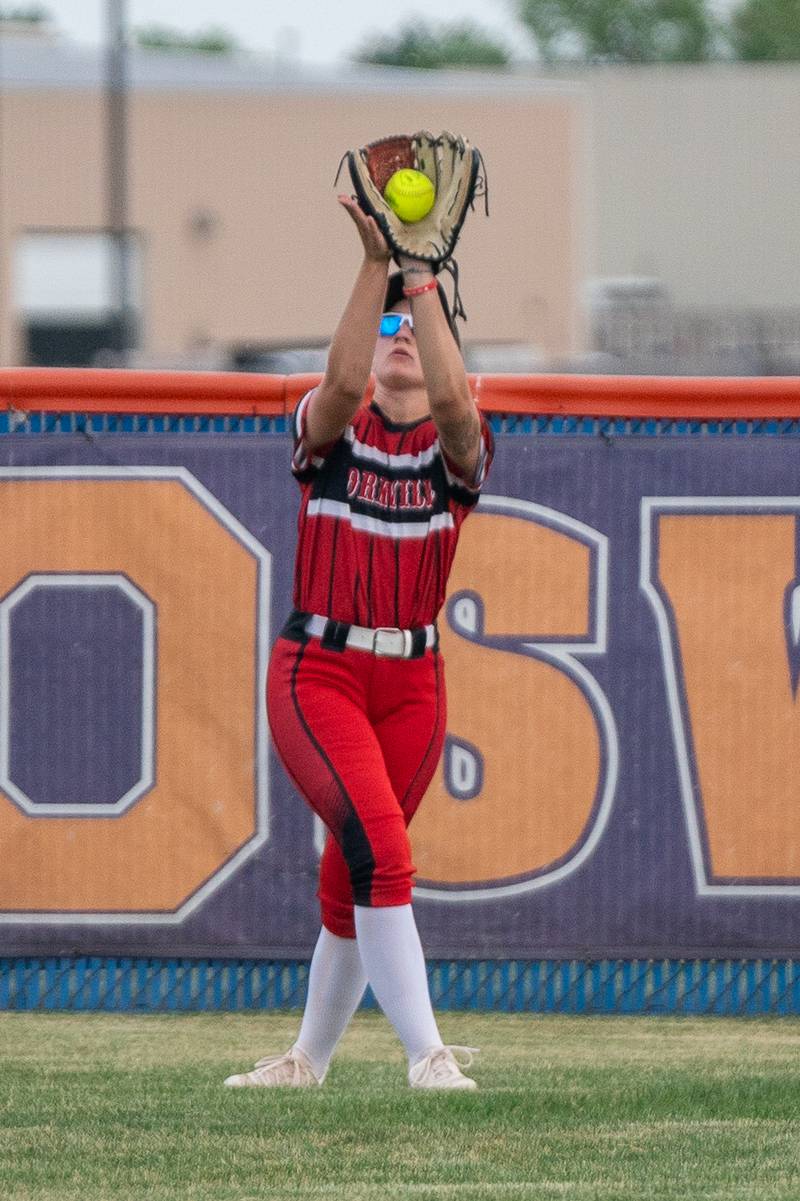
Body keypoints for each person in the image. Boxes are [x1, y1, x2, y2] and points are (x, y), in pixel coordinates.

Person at [224, 191, 493, 1091]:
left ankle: (307, 1061)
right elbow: (338, 388)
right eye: (389, 326)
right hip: (321, 671)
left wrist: (420, 279)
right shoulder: (336, 428)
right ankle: (429, 1054)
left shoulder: (457, 448)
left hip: (415, 679)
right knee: (384, 847)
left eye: (418, 324)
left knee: (355, 872)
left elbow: (456, 406)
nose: (403, 335)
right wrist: (377, 264)